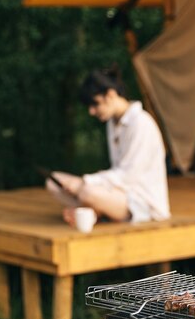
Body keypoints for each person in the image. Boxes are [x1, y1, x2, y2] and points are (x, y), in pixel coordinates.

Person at [45, 67, 171, 227]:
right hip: (118, 192)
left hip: (142, 201)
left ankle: (89, 211)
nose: (92, 111)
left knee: (88, 192)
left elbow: (129, 176)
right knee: (54, 182)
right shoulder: (113, 123)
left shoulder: (141, 123)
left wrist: (86, 182)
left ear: (110, 95)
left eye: (95, 104)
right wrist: (85, 183)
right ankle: (92, 212)